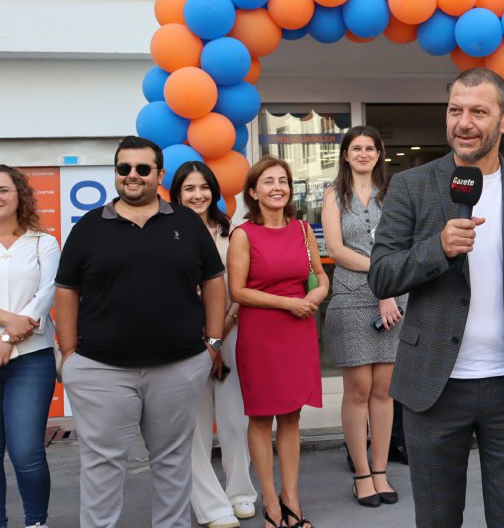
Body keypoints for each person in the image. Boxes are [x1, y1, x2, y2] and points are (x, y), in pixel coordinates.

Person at [369, 67, 504, 528]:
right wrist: (437, 249)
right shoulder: (411, 186)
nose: (464, 122)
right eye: (455, 110)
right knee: (437, 520)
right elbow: (381, 276)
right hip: (432, 387)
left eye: (479, 112)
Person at [54, 136, 227, 528]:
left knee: (173, 463)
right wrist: (69, 354)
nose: (132, 175)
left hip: (179, 367)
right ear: (116, 173)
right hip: (101, 370)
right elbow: (66, 290)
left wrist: (213, 344)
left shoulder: (186, 222)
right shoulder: (89, 226)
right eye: (124, 168)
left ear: (159, 175)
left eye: (142, 169)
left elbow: (214, 281)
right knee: (101, 467)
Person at [227, 156, 327, 528]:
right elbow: (237, 291)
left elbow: (319, 274)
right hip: (261, 333)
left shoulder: (302, 229)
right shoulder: (243, 234)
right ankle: (270, 502)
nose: (277, 187)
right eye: (268, 181)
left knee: (291, 415)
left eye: (282, 180)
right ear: (253, 192)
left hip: (298, 331)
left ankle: (291, 499)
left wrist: (318, 293)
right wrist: (288, 303)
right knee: (260, 416)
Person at [170, 162, 257, 528]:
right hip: (183, 339)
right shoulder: (166, 232)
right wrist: (204, 340)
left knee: (236, 420)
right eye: (189, 188)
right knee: (194, 426)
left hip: (230, 332)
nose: (198, 195)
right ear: (177, 194)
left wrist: (219, 334)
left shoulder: (231, 232)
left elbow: (242, 286)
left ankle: (240, 493)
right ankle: (208, 502)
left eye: (204, 187)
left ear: (215, 191)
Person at [321, 126, 404, 508]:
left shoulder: (394, 194)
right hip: (353, 298)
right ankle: (361, 475)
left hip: (394, 300)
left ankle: (381, 471)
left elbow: (404, 243)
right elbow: (336, 250)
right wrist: (381, 272)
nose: (364, 153)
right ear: (345, 154)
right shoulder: (334, 195)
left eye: (370, 147)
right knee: (358, 391)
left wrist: (389, 287)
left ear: (379, 153)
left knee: (384, 391)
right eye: (356, 148)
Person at [0, 165, 60, 528]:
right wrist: (8, 323)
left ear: (19, 195)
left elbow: (46, 293)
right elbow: (17, 318)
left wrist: (9, 339)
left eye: (4, 189)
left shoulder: (43, 243)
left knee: (27, 452)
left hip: (31, 359)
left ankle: (36, 522)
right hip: (12, 341)